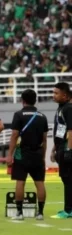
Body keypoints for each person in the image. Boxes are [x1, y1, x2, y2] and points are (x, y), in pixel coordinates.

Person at [7, 89, 48, 221]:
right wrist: (43, 156)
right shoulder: (42, 116)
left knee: (20, 181)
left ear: (22, 100)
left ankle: (19, 213)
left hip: (22, 154)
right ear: (35, 100)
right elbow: (45, 139)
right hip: (37, 153)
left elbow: (14, 135)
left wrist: (9, 154)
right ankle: (40, 213)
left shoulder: (18, 115)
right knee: (40, 183)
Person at [51, 82, 72, 219]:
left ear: (65, 95)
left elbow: (71, 130)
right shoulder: (61, 108)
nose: (53, 96)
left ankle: (68, 210)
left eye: (56, 93)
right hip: (61, 148)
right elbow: (60, 131)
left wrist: (69, 149)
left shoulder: (68, 109)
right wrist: (54, 148)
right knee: (66, 179)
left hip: (66, 149)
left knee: (68, 179)